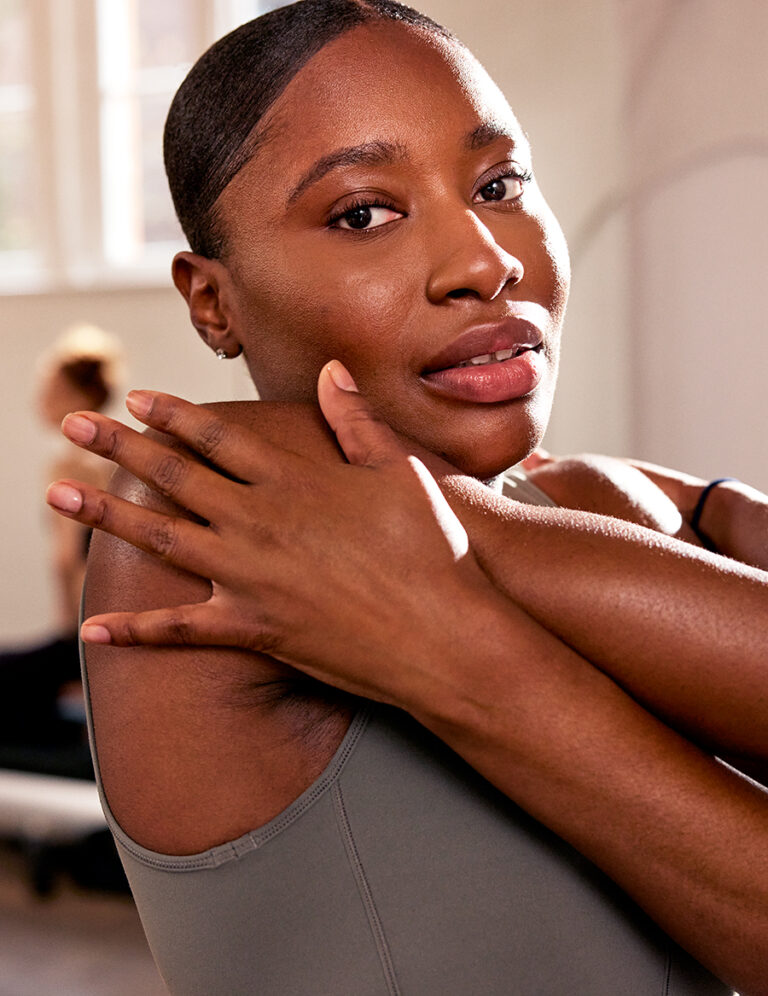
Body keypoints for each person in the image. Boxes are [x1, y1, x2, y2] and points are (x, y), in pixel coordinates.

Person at [45, 2, 768, 993]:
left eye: (500, 183)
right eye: (361, 213)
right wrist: (708, 518)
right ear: (212, 299)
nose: (485, 260)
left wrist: (713, 505)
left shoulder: (593, 496)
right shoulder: (203, 517)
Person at [0, 324, 121, 773]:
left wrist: (71, 643)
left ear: (73, 394)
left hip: (86, 629)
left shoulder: (68, 463)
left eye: (48, 389)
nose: (40, 400)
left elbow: (67, 559)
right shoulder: (113, 457)